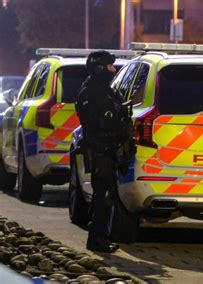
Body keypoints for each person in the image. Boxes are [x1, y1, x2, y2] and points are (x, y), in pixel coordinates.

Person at [75, 50, 130, 253]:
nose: (113, 70)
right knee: (103, 196)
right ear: (100, 68)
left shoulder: (104, 90)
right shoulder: (91, 91)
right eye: (109, 66)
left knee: (106, 196)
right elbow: (100, 122)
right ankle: (97, 240)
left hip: (107, 149)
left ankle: (100, 237)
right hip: (100, 150)